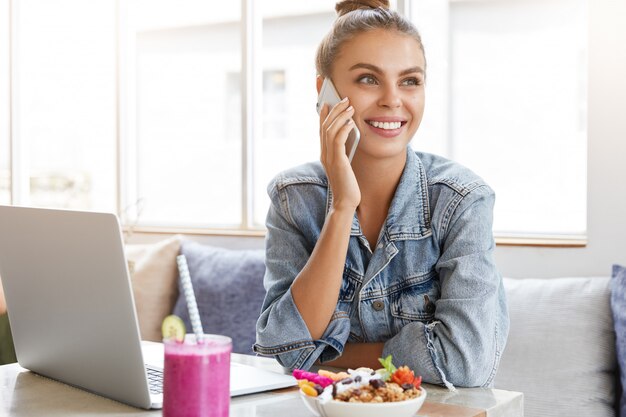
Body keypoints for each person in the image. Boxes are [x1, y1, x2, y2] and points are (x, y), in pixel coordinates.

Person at [254, 0, 509, 388]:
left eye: (410, 80)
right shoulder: (295, 200)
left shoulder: (461, 201)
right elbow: (284, 348)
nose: (393, 99)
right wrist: (342, 207)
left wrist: (330, 354)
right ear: (324, 91)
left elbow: (463, 361)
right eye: (368, 79)